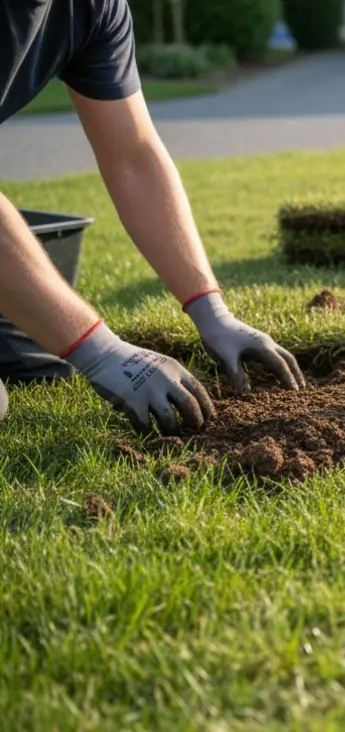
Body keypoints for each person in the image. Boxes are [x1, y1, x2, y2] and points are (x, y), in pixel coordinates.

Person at [0, 0, 306, 434]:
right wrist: (101, 350)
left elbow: (134, 158)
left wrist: (211, 312)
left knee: (40, 369)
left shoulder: (94, 8)